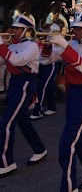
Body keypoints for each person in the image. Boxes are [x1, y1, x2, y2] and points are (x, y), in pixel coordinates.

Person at [41, 10, 82, 191]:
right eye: (74, 28)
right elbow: (46, 60)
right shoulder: (72, 43)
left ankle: (68, 186)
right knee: (78, 137)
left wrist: (64, 45)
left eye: (78, 28)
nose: (74, 31)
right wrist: (48, 43)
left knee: (68, 142)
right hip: (72, 90)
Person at [0, 15, 48, 177]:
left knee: (6, 123)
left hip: (24, 84)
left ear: (26, 30)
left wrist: (2, 46)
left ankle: (6, 163)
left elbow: (18, 61)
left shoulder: (31, 46)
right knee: (23, 121)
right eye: (12, 28)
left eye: (16, 28)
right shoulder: (14, 45)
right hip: (15, 83)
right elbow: (5, 60)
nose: (12, 31)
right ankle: (39, 149)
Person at [30, 23, 61, 120]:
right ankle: (52, 107)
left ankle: (38, 111)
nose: (41, 33)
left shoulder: (54, 41)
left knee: (41, 87)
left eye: (45, 30)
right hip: (40, 65)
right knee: (49, 87)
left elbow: (54, 54)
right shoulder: (37, 40)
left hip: (49, 65)